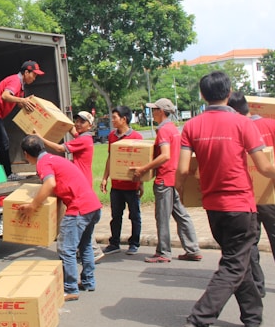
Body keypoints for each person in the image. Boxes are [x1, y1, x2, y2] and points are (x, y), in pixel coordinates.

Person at [176, 71, 275, 327]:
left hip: (213, 207)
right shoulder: (243, 123)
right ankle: (200, 319)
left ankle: (252, 316)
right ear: (229, 91)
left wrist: (179, 189)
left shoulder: (191, 127)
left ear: (202, 95)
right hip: (240, 205)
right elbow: (262, 165)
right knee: (234, 263)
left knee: (238, 258)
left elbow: (183, 169)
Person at [228, 92, 275, 296]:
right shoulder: (270, 125)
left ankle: (257, 286)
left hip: (245, 194)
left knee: (250, 241)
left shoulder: (234, 129)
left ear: (233, 111)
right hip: (270, 191)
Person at [18, 135, 102, 301]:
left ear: (26, 154)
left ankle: (70, 288)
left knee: (66, 248)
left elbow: (50, 184)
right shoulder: (54, 158)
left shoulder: (43, 163)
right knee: (84, 245)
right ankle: (88, 281)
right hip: (92, 205)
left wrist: (33, 206)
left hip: (79, 208)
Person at [129, 98, 202, 263]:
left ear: (160, 111)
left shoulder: (163, 131)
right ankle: (192, 249)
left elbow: (165, 155)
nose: (152, 113)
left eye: (153, 110)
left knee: (162, 216)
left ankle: (163, 252)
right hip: (174, 177)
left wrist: (143, 169)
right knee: (181, 214)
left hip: (164, 178)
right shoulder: (173, 129)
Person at [35, 111, 105, 264]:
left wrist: (40, 138)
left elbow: (60, 149)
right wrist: (60, 118)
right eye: (77, 120)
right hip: (82, 180)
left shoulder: (84, 140)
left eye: (82, 122)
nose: (78, 124)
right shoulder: (82, 137)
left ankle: (93, 251)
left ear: (90, 125)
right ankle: (88, 251)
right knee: (83, 219)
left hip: (81, 181)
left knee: (80, 218)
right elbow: (73, 130)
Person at [0, 61, 43, 181]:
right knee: (3, 143)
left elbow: (16, 102)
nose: (35, 78)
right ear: (26, 72)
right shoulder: (15, 81)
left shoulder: (21, 86)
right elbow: (5, 96)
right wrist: (22, 101)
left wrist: (23, 102)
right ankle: (8, 174)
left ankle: (1, 175)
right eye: (34, 74)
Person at [100, 106, 144, 255]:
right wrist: (105, 178)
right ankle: (114, 243)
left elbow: (142, 161)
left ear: (124, 119)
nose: (112, 121)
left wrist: (141, 183)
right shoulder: (112, 137)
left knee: (134, 216)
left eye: (114, 118)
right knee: (116, 215)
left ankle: (134, 243)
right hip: (117, 185)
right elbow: (110, 158)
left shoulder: (136, 137)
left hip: (132, 185)